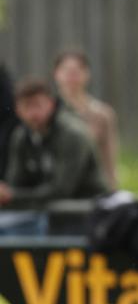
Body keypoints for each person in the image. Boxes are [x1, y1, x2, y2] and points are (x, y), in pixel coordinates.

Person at [0, 78, 107, 208]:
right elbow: (15, 183)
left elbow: (62, 190)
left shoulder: (72, 134)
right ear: (17, 110)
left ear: (51, 104)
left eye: (38, 105)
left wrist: (13, 196)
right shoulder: (21, 137)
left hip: (87, 209)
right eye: (27, 106)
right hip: (43, 211)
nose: (33, 113)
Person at [53, 49, 119, 189]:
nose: (72, 76)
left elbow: (109, 159)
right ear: (56, 74)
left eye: (77, 71)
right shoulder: (47, 113)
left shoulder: (102, 114)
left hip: (92, 188)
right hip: (56, 188)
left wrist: (112, 189)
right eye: (66, 70)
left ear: (87, 74)